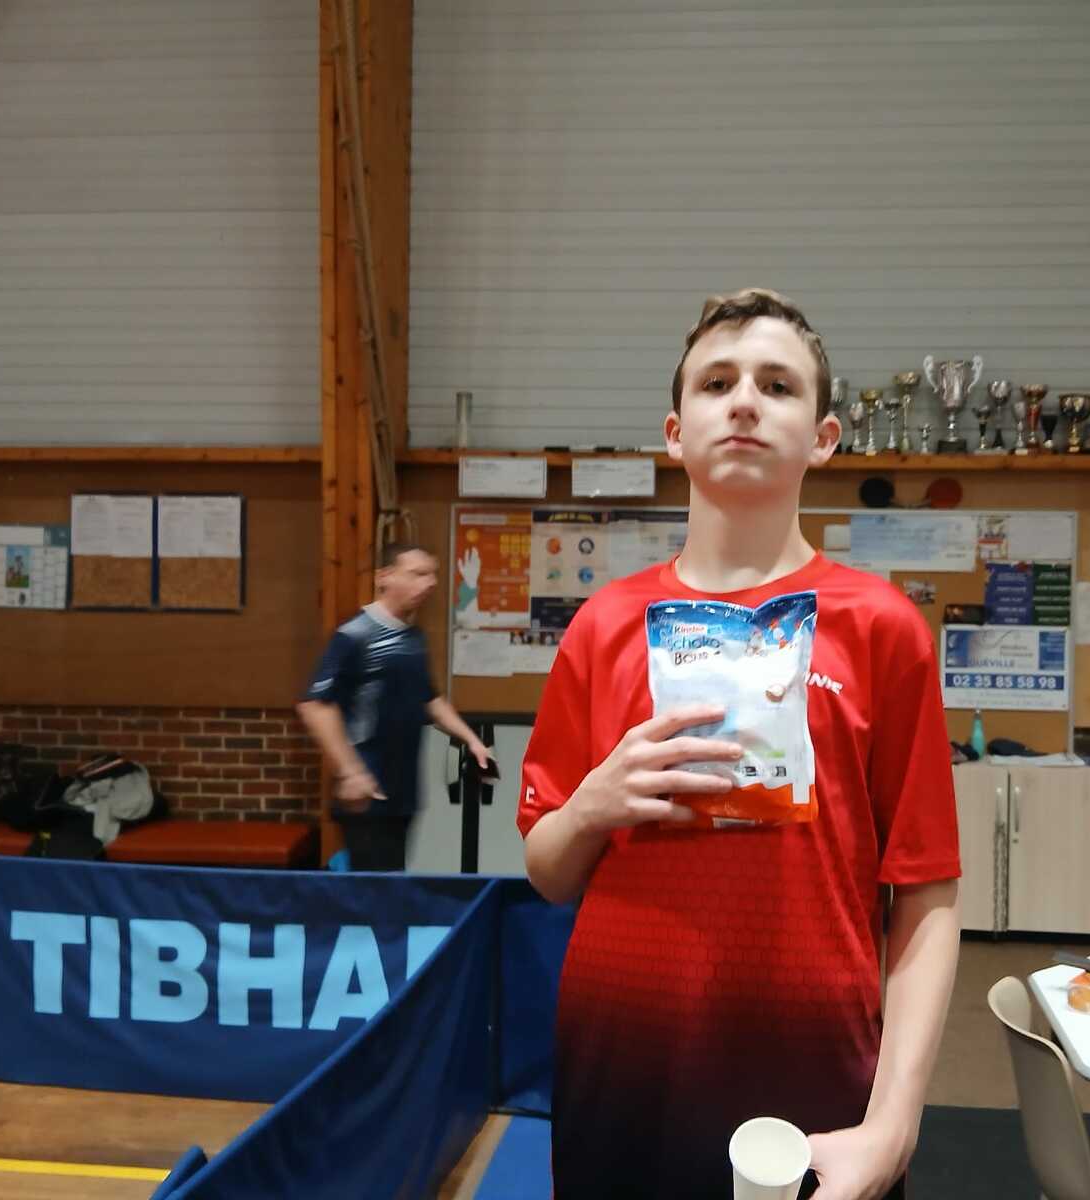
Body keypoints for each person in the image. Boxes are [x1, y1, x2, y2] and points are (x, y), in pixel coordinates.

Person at [517, 289, 961, 1199]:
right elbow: (548, 871)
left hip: (813, 1068)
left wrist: (894, 1124)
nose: (746, 402)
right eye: (718, 383)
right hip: (622, 1065)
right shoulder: (603, 626)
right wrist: (590, 807)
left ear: (824, 438)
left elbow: (926, 892)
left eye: (777, 385)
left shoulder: (882, 628)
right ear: (676, 433)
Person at [298, 543, 490, 871]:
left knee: (392, 881)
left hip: (403, 793)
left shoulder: (413, 638)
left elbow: (430, 699)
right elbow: (315, 706)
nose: (429, 583)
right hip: (366, 793)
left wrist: (471, 740)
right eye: (417, 574)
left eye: (432, 575)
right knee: (372, 892)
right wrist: (350, 772)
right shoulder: (354, 635)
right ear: (384, 577)